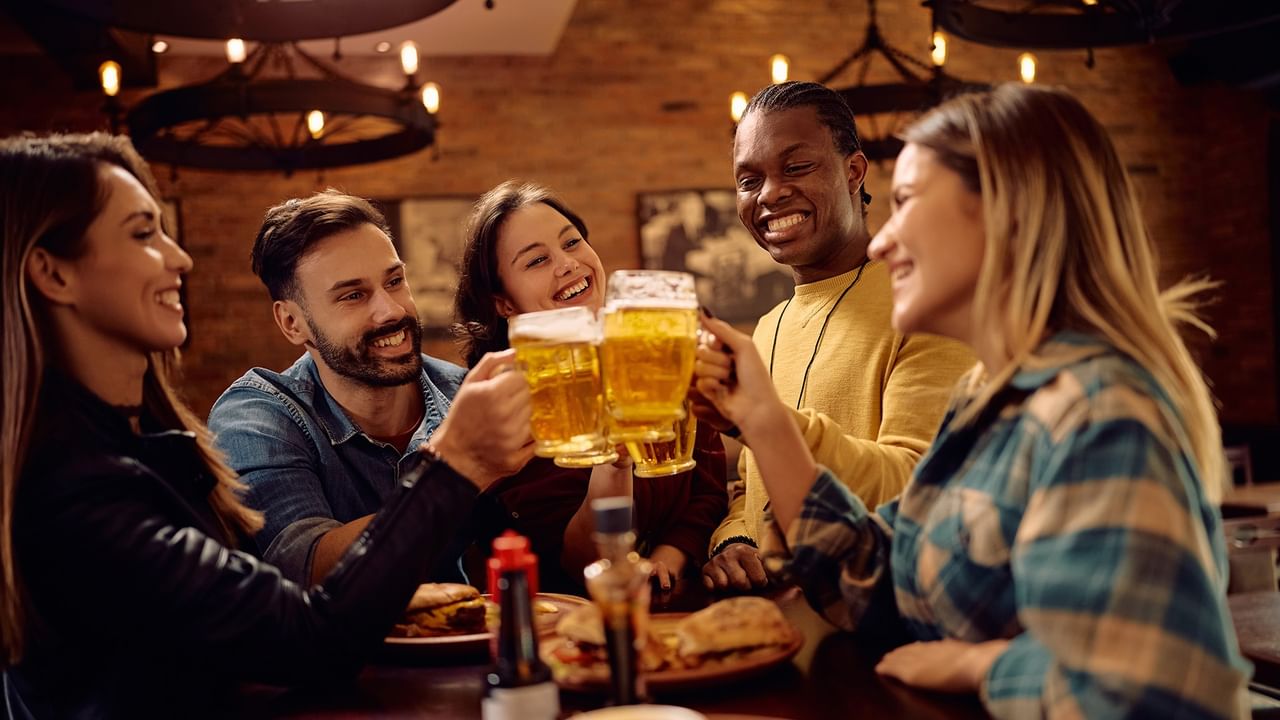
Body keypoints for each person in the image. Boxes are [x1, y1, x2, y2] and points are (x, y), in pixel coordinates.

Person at [694, 84, 1250, 717]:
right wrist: (760, 419)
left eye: (905, 202)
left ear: (1008, 213)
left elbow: (1146, 690)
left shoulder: (1100, 412)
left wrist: (983, 665)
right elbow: (868, 579)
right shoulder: (988, 402)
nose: (881, 241)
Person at [0, 133, 521, 717]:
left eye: (393, 280)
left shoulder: (141, 445)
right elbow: (312, 636)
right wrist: (454, 465)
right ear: (53, 273)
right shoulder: (70, 491)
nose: (180, 259)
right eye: (144, 234)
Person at [699, 81, 973, 591]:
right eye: (747, 179)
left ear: (853, 170)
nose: (770, 193)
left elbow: (915, 483)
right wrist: (735, 539)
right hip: (777, 626)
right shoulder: (767, 327)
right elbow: (753, 485)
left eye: (796, 167)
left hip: (880, 623)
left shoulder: (925, 304)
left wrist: (766, 422)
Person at [208, 190, 534, 584]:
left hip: (463, 642)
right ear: (293, 323)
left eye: (394, 281)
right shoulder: (258, 416)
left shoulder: (463, 394)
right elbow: (305, 568)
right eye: (353, 296)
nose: (392, 310)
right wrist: (462, 469)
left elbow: (546, 549)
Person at [453, 180, 727, 593]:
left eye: (572, 242)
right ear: (504, 304)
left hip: (678, 605)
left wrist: (670, 557)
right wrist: (613, 462)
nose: (567, 264)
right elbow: (577, 560)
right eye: (537, 261)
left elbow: (706, 485)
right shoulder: (510, 406)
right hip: (567, 625)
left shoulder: (658, 343)